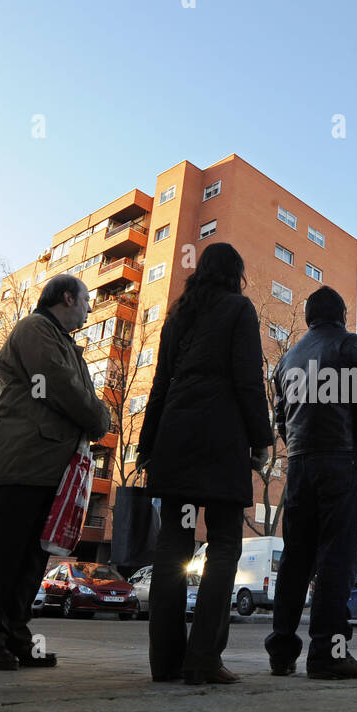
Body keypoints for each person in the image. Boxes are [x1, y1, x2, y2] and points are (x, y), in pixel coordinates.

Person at [137, 243, 273, 685]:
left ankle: (166, 661)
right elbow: (249, 379)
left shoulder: (177, 317)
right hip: (221, 439)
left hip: (175, 437)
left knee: (173, 548)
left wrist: (146, 443)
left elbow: (159, 383)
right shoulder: (239, 309)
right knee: (224, 546)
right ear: (236, 274)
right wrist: (261, 439)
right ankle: (203, 659)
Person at [0, 273, 110, 670]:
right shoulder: (35, 329)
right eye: (85, 300)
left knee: (29, 560)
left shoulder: (62, 341)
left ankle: (14, 636)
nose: (89, 308)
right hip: (22, 462)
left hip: (46, 465)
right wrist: (100, 419)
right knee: (2, 556)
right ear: (66, 297)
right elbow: (62, 387)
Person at [264, 286, 357, 679]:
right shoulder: (354, 346)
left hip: (299, 463)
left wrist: (296, 446)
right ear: (342, 315)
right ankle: (329, 652)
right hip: (341, 458)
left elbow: (281, 418)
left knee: (296, 557)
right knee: (337, 555)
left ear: (310, 317)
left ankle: (282, 650)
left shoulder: (287, 360)